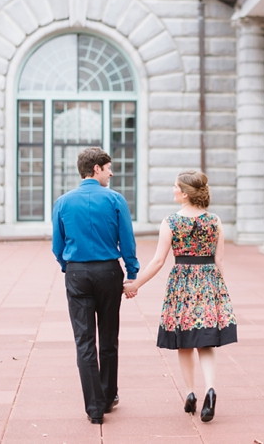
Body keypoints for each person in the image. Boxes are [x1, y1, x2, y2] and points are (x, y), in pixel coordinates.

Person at [123, 170, 236, 422]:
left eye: (175, 186)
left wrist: (134, 284)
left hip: (182, 284)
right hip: (208, 282)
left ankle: (190, 394)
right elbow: (219, 260)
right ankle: (210, 389)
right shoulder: (215, 221)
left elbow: (158, 261)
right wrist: (220, 291)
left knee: (183, 340)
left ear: (185, 193)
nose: (172, 190)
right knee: (206, 340)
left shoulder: (171, 222)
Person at [51, 147, 139, 425]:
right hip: (108, 272)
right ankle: (109, 395)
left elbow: (57, 245)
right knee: (109, 336)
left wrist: (69, 267)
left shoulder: (63, 202)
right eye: (108, 167)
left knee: (84, 340)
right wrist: (132, 272)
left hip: (77, 273)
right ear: (96, 169)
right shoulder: (115, 200)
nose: (111, 173)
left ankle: (94, 407)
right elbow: (127, 241)